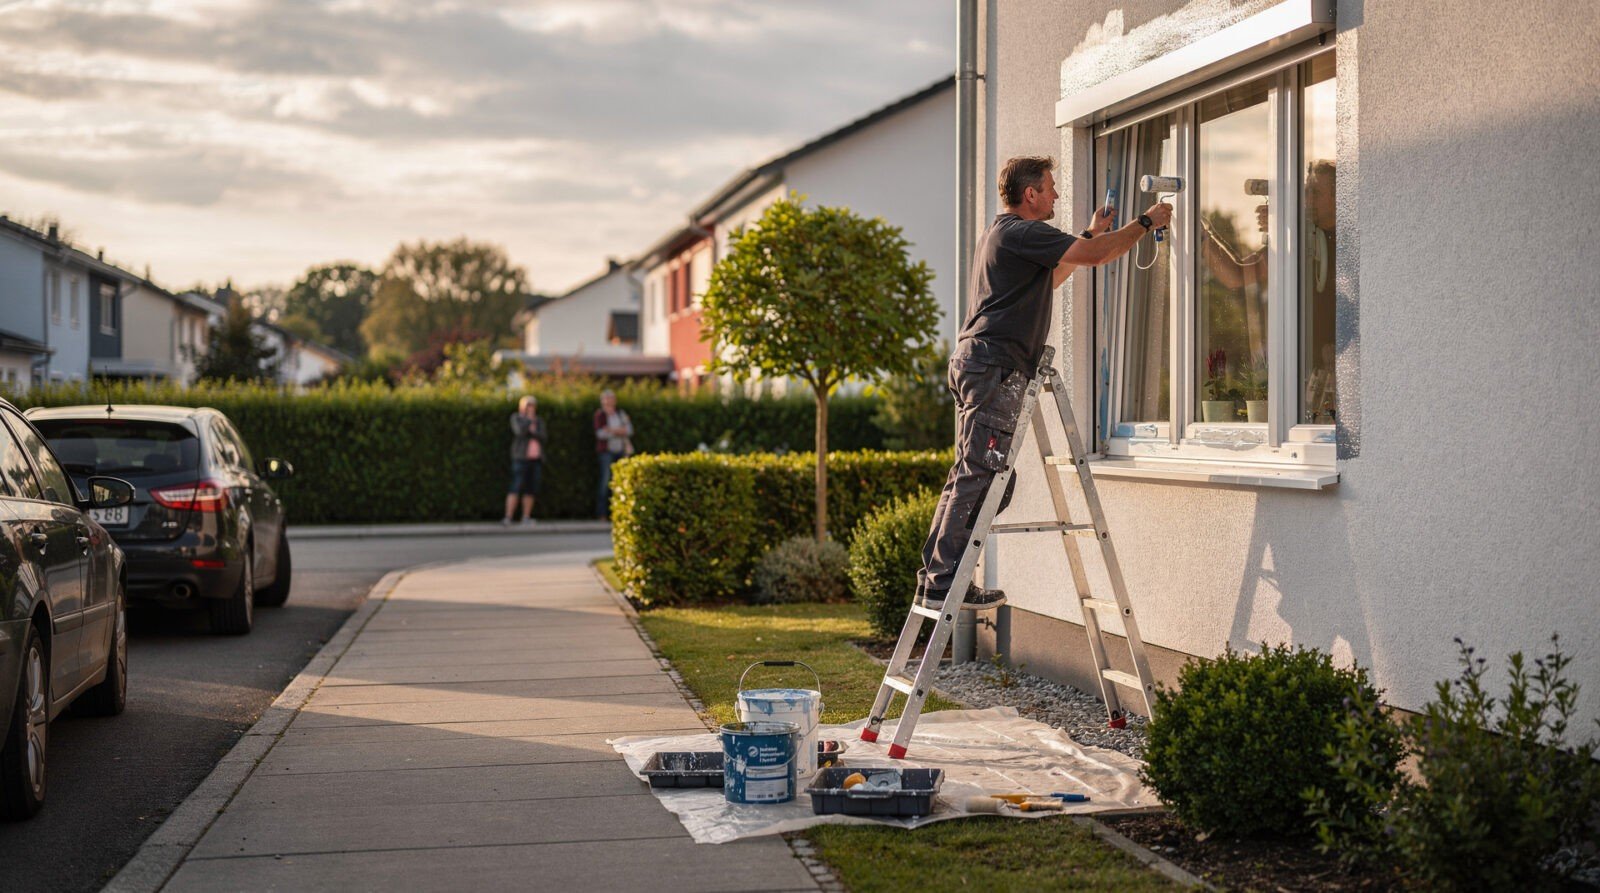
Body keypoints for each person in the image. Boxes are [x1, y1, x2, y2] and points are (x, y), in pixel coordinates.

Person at [916, 155, 1172, 610]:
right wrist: (1145, 221)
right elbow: (1094, 258)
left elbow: (1054, 276)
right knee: (984, 476)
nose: (1055, 194)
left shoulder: (1005, 235)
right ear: (1030, 194)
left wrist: (1090, 233)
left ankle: (935, 577)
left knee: (971, 474)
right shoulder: (1022, 231)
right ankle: (942, 582)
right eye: (1051, 187)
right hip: (994, 366)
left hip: (979, 363)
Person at [503, 395, 545, 526]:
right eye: (528, 406)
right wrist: (528, 421)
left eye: (532, 406)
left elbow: (543, 436)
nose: (530, 409)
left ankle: (526, 516)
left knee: (530, 488)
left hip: (536, 459)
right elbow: (520, 432)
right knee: (515, 486)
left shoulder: (538, 421)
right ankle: (508, 517)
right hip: (521, 458)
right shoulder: (517, 418)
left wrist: (533, 430)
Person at [593, 389, 633, 519]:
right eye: (607, 399)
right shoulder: (600, 415)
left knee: (620, 482)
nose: (609, 401)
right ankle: (602, 513)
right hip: (606, 453)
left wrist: (611, 430)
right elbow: (600, 434)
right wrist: (619, 431)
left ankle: (619, 512)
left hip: (620, 451)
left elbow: (629, 430)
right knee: (605, 482)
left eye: (612, 399)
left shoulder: (620, 414)